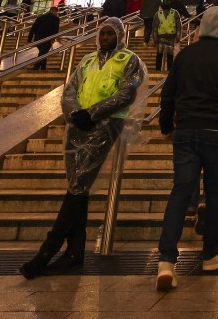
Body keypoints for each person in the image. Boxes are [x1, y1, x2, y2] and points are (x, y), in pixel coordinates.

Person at [20, 19, 145, 279]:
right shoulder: (86, 60)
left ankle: (47, 251)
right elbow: (70, 89)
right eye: (103, 33)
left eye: (111, 33)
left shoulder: (129, 60)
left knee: (77, 187)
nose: (105, 37)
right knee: (78, 187)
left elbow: (127, 94)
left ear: (120, 35)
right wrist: (74, 113)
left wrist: (93, 113)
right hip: (78, 125)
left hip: (106, 125)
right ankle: (75, 254)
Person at [156, 6, 218, 291]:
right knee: (215, 192)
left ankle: (166, 260)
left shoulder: (185, 54)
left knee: (180, 190)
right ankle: (210, 254)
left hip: (186, 131)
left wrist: (166, 125)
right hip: (217, 132)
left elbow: (169, 94)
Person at [28, 6, 61, 71]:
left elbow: (33, 28)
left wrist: (29, 38)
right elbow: (55, 30)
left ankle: (43, 68)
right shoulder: (56, 19)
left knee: (43, 52)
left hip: (38, 37)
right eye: (56, 12)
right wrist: (53, 39)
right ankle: (36, 68)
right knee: (43, 53)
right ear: (55, 11)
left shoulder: (40, 17)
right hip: (47, 38)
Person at [154, 0, 182, 72]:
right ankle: (168, 70)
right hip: (169, 36)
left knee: (162, 55)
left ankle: (159, 70)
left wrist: (155, 37)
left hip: (164, 37)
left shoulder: (159, 13)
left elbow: (155, 27)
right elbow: (178, 25)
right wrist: (178, 36)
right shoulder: (175, 13)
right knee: (167, 55)